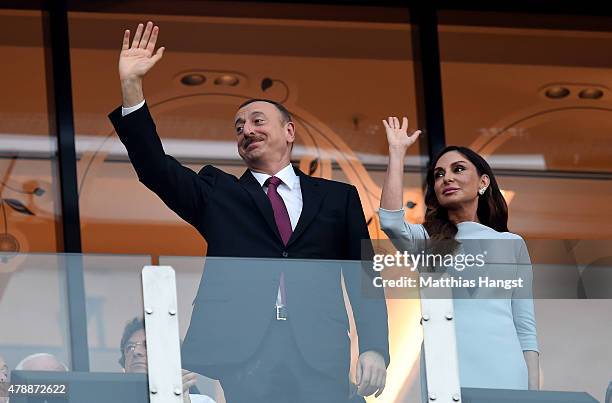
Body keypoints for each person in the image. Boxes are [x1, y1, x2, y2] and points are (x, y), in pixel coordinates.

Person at [108, 21, 389, 402]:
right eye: (239, 126)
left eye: (258, 121)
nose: (247, 130)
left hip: (320, 349)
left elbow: (364, 276)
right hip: (246, 352)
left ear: (289, 131)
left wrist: (374, 346)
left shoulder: (338, 197)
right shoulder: (218, 193)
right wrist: (132, 88)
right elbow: (155, 167)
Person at [378, 117, 539, 391]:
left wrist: (534, 393)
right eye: (438, 174)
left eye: (458, 169)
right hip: (446, 367)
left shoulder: (511, 243)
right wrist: (397, 152)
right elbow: (391, 222)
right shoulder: (427, 240)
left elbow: (525, 326)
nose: (447, 178)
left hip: (506, 369)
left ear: (483, 182)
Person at [119, 317, 215, 403]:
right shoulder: (109, 399)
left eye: (147, 346)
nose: (136, 352)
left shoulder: (202, 401)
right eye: (130, 347)